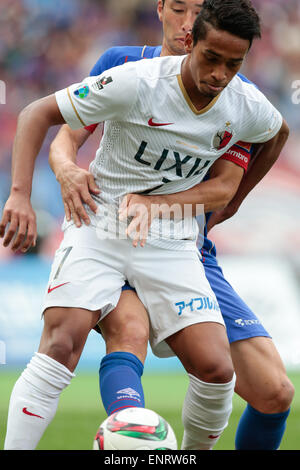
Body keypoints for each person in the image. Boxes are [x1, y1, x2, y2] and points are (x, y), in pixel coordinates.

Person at [1, 0, 289, 450]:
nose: (218, 73)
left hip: (174, 238)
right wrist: (21, 194)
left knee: (218, 369)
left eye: (231, 64)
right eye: (211, 59)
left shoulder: (244, 104)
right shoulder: (133, 79)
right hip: (101, 223)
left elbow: (275, 134)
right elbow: (37, 113)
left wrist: (226, 202)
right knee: (63, 340)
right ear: (190, 41)